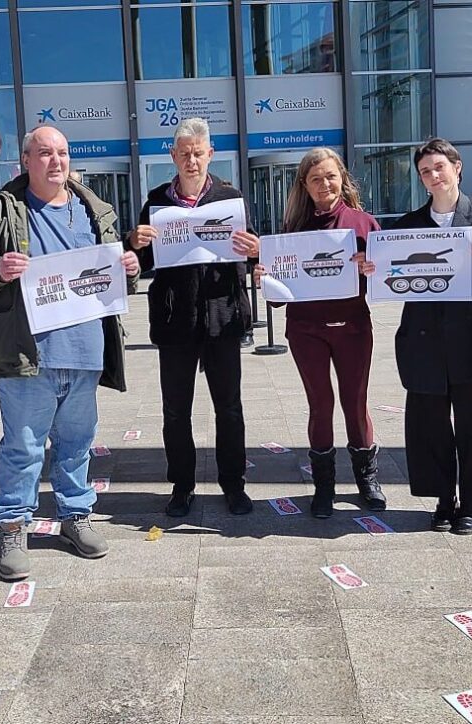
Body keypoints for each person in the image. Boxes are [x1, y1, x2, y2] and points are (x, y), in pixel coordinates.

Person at [0, 125, 139, 580]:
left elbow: (114, 280)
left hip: (84, 350)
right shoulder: (1, 209)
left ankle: (75, 516)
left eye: (61, 152)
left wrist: (130, 271)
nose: (55, 161)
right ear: (26, 160)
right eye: (44, 153)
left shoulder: (94, 209)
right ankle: (13, 527)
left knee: (77, 444)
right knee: (22, 447)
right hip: (27, 353)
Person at [365, 137, 472, 535]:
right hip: (423, 339)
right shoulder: (408, 224)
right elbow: (389, 272)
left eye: (439, 167)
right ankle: (443, 499)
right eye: (425, 172)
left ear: (457, 168)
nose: (433, 176)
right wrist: (372, 270)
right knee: (429, 426)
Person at [128, 118, 260, 518]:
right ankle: (182, 486)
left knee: (230, 408)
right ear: (172, 156)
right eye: (183, 153)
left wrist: (253, 249)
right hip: (175, 321)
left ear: (210, 154)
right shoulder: (156, 201)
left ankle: (233, 485)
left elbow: (248, 251)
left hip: (222, 318)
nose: (191, 160)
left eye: (197, 153)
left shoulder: (229, 197)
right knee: (175, 411)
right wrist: (134, 244)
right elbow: (141, 260)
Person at [254, 147, 386, 518]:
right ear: (305, 185)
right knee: (320, 405)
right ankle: (324, 486)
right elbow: (279, 300)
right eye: (316, 178)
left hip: (353, 328)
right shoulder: (292, 232)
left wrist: (371, 270)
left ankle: (367, 480)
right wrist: (266, 281)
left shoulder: (363, 223)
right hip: (306, 330)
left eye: (330, 176)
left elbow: (385, 283)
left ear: (342, 178)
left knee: (355, 404)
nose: (324, 184)